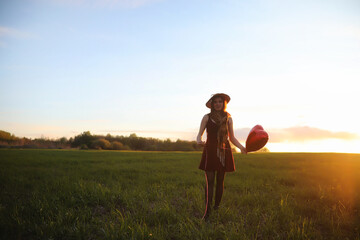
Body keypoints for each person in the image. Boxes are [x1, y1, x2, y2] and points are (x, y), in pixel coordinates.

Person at [197, 93, 247, 220]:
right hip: (210, 150)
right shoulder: (206, 117)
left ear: (224, 104)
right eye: (215, 102)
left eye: (220, 101)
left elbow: (232, 138)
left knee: (220, 182)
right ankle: (207, 212)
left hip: (224, 151)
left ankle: (216, 209)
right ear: (212, 104)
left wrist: (242, 147)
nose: (218, 104)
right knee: (210, 182)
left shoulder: (228, 119)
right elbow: (199, 135)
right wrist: (199, 140)